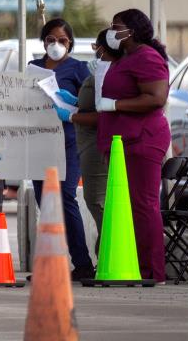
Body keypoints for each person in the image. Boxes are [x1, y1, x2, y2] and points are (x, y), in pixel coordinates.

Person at [96, 8, 170, 283]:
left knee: (143, 204)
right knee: (126, 207)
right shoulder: (125, 57)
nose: (112, 31)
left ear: (133, 30)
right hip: (120, 142)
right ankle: (133, 265)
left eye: (116, 26)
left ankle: (153, 271)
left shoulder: (147, 57)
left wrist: (115, 105)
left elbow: (156, 97)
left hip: (142, 139)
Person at [29, 18, 95, 280]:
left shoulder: (79, 69)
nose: (56, 45)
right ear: (43, 41)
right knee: (44, 203)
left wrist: (73, 106)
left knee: (65, 198)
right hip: (37, 142)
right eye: (50, 40)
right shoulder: (33, 68)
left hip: (68, 142)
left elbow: (91, 105)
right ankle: (50, 265)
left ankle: (82, 264)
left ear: (70, 43)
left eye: (62, 40)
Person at [53, 28, 120, 255]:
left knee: (97, 201)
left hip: (96, 143)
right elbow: (93, 103)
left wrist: (72, 116)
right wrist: (74, 102)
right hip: (89, 143)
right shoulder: (99, 71)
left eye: (96, 47)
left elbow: (104, 113)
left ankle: (111, 252)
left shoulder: (107, 72)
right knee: (95, 200)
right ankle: (106, 252)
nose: (95, 52)